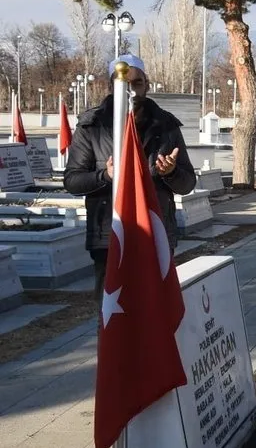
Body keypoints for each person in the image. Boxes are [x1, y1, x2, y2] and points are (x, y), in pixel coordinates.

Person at [64, 55, 197, 303]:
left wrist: (171, 173)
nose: (131, 90)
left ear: (146, 85)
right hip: (110, 235)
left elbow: (188, 183)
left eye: (137, 83)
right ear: (112, 85)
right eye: (123, 83)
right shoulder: (92, 126)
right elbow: (73, 181)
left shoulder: (165, 125)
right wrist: (106, 175)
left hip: (155, 232)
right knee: (114, 317)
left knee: (156, 312)